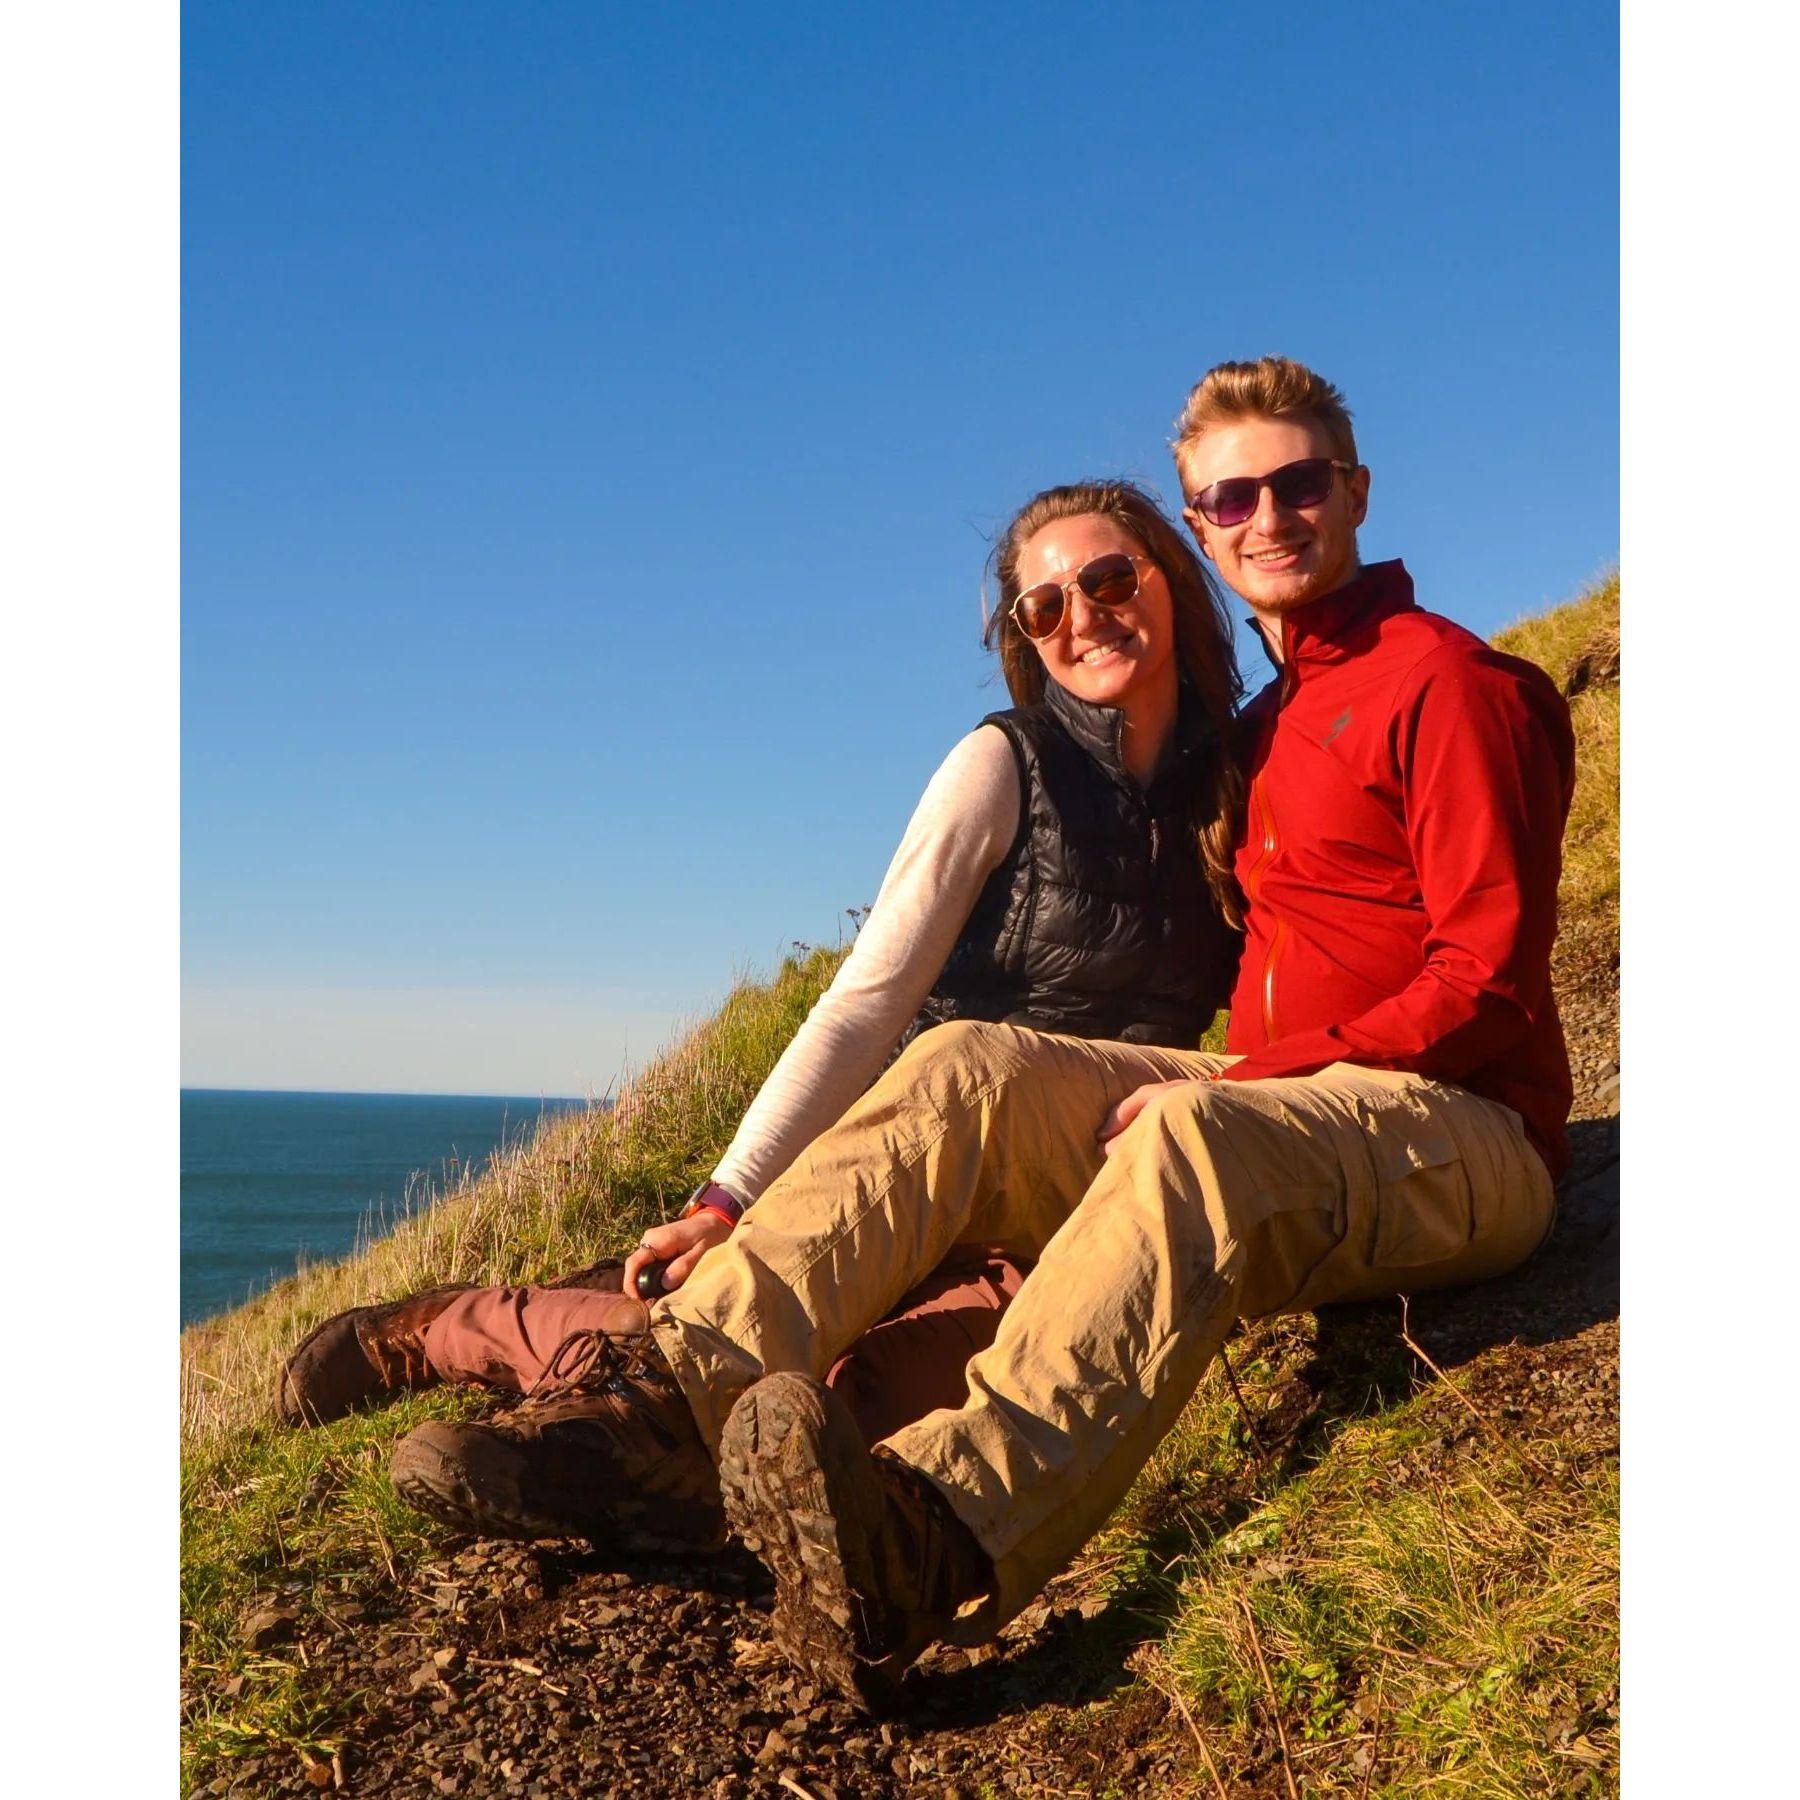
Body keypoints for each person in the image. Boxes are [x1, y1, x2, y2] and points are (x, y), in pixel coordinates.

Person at [374, 353, 1575, 1711]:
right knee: (968, 1063)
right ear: (1201, 528)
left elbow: (1489, 980)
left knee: (1192, 1137)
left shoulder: (1455, 686)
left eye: (1299, 483)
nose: (1269, 516)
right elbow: (876, 998)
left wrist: (1261, 1076)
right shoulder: (1254, 730)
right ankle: (666, 1411)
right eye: (1232, 496)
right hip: (1289, 1107)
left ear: (1351, 491)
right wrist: (731, 1196)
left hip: (1465, 1133)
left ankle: (925, 1542)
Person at [277, 478, 1248, 1551]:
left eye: (1109, 578)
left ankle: (658, 1464)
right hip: (922, 1149)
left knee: (876, 1394)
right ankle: (439, 1333)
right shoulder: (1004, 765)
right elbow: (864, 1006)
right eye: (1046, 605)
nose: (1085, 615)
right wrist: (728, 1199)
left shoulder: (1242, 779)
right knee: (727, 1339)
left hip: (1068, 1184)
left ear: (1170, 572)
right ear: (1024, 636)